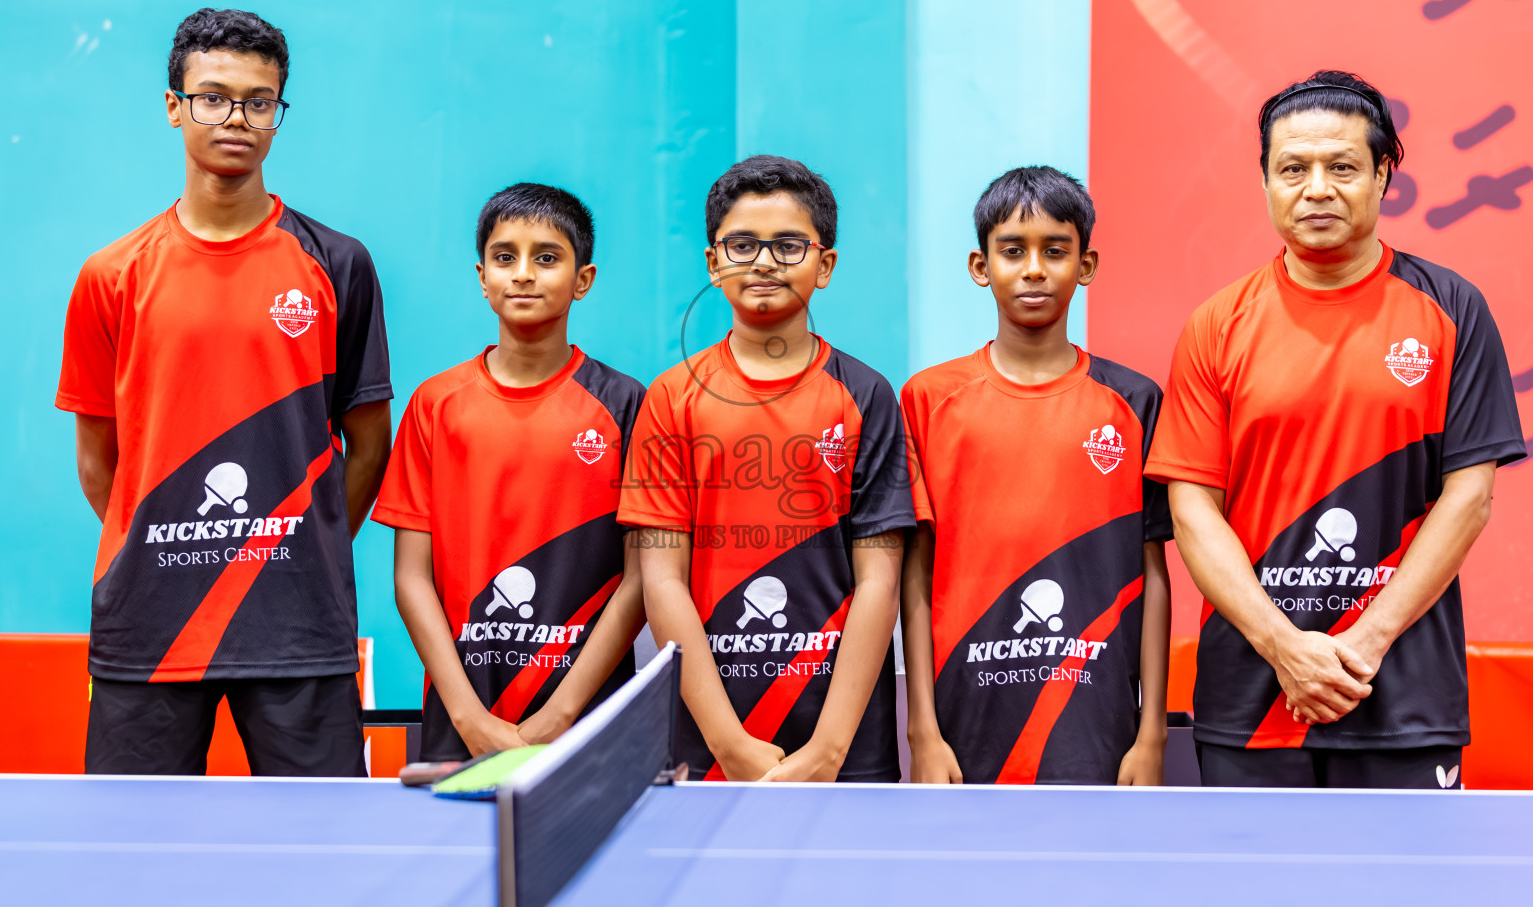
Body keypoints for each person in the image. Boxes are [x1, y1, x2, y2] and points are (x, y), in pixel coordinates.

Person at [1146, 70, 1525, 789]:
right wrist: (1285, 647)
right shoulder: (1217, 325)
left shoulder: (1451, 310)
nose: (1316, 187)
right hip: (1254, 699)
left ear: (1385, 175)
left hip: (1403, 694)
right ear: (1264, 181)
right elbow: (1193, 510)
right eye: (1293, 168)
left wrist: (1366, 642)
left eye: (1342, 166)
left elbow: (1469, 497)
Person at [56, 8, 393, 775]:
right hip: (151, 627)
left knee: (324, 861)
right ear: (174, 106)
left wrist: (303, 551)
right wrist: (167, 552)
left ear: (279, 114)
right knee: (133, 867)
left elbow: (368, 441)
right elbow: (96, 458)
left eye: (258, 100)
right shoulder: (111, 275)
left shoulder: (337, 263)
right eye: (212, 96)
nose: (235, 117)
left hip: (299, 628)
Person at [619, 155, 914, 782]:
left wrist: (830, 749)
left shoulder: (867, 396)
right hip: (705, 744)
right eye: (743, 244)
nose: (763, 261)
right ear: (713, 263)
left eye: (788, 246)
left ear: (825, 265)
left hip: (845, 748)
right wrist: (729, 745)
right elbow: (661, 580)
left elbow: (880, 578)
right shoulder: (670, 398)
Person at [900, 166, 1171, 785]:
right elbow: (914, 572)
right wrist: (923, 733)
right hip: (964, 720)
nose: (1033, 269)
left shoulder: (1135, 401)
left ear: (1087, 264)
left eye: (1055, 251)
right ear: (979, 265)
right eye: (1012, 251)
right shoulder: (927, 399)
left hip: (1096, 723)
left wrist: (1150, 732)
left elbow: (1155, 572)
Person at [372, 184, 646, 761]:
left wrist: (561, 713)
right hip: (463, 714)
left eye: (546, 258)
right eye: (505, 257)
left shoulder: (624, 404)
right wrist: (468, 716)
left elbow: (641, 578)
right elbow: (411, 578)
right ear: (482, 277)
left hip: (590, 717)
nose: (523, 274)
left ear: (583, 279)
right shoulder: (435, 404)